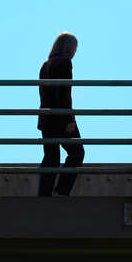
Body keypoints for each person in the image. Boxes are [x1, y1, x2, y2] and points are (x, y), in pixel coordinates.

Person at [37, 31, 84, 197]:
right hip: (60, 118)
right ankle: (61, 191)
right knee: (77, 152)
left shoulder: (45, 64)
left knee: (51, 157)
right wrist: (69, 119)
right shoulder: (65, 63)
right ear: (68, 48)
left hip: (46, 118)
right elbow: (64, 93)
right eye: (75, 48)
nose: (75, 51)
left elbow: (45, 94)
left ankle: (44, 194)